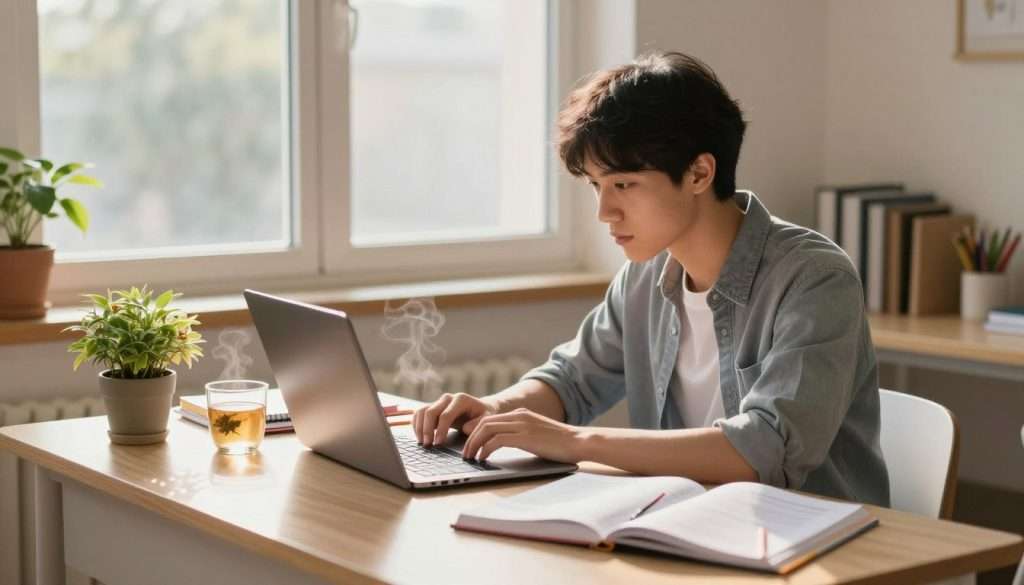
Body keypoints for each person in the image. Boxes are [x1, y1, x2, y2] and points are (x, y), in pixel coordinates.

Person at [412, 52, 889, 505]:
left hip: (812, 539)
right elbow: (572, 381)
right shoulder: (643, 278)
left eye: (623, 184)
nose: (604, 211)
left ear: (699, 173)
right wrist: (495, 410)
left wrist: (576, 442)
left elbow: (764, 450)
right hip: (686, 524)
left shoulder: (814, 280)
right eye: (596, 186)